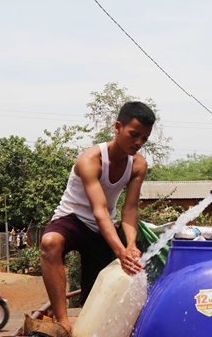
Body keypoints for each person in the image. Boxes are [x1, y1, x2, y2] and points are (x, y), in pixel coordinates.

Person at [41, 101, 155, 333]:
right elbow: (99, 209)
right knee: (50, 242)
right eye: (134, 135)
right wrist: (119, 251)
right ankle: (62, 321)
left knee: (110, 286)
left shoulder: (138, 164)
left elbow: (130, 209)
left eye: (144, 138)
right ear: (117, 127)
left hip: (101, 228)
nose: (138, 143)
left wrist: (130, 246)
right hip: (72, 219)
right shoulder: (90, 160)